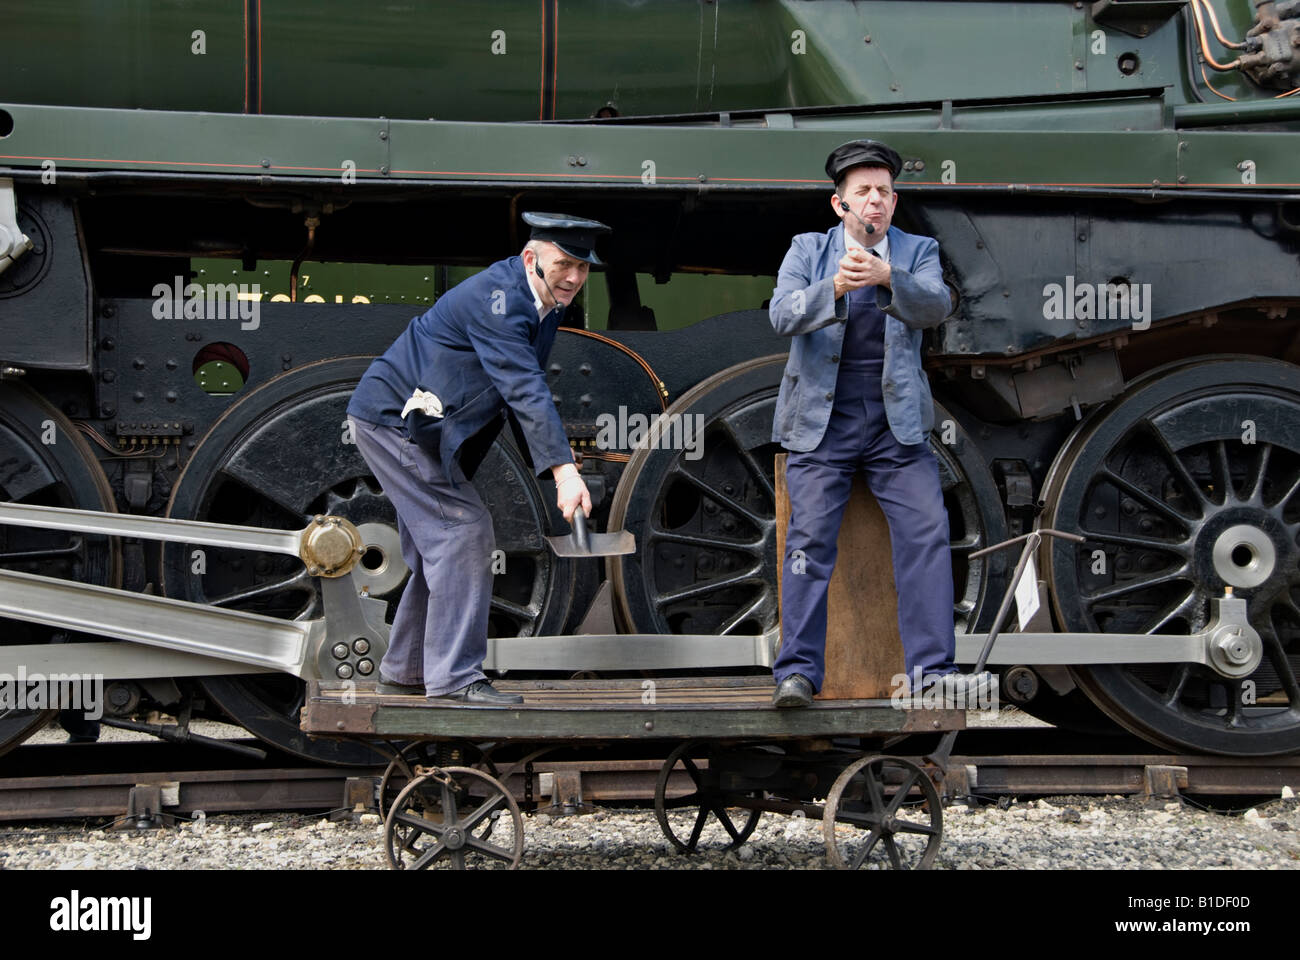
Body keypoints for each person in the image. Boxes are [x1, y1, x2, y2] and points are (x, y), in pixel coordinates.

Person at [346, 213, 609, 705]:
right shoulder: (501, 301)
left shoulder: (544, 300)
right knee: (463, 532)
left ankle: (407, 669)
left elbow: (518, 394)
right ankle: (455, 680)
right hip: (395, 422)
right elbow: (525, 390)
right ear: (532, 258)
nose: (574, 277)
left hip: (412, 426)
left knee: (436, 548)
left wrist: (557, 467)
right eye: (564, 264)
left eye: (583, 267)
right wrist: (565, 471)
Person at [768, 139, 989, 708]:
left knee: (927, 536)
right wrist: (835, 287)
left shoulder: (917, 251)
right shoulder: (807, 249)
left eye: (884, 192)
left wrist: (889, 276)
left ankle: (933, 673)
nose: (875, 201)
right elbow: (780, 314)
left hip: (897, 427)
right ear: (839, 204)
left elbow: (937, 307)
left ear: (894, 202)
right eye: (862, 192)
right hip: (822, 423)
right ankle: (797, 674)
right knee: (807, 543)